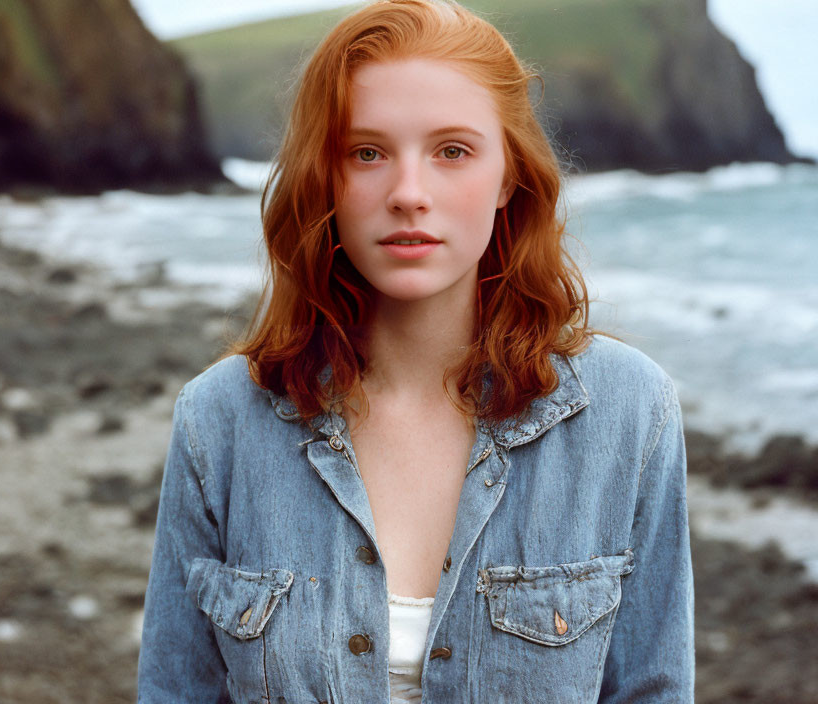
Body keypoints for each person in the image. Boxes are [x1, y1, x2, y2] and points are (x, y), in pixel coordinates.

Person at [137, 1, 694, 702]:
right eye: (366, 153)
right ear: (324, 180)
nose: (408, 194)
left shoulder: (628, 411)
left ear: (509, 177)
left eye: (452, 151)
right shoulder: (218, 420)